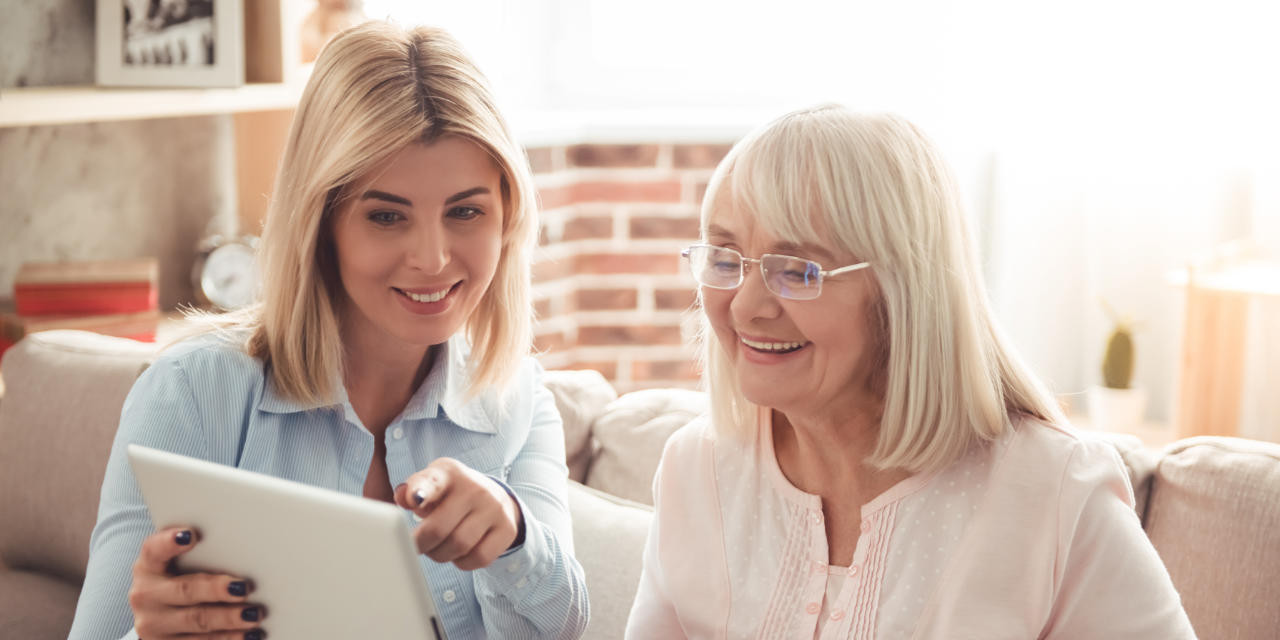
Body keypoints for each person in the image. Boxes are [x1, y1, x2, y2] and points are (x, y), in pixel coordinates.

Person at [69, 21, 589, 640]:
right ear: (322, 223)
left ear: (507, 219)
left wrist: (514, 534)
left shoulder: (517, 399)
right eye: (387, 216)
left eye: (466, 211)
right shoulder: (191, 391)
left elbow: (563, 628)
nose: (432, 258)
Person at [624, 105, 1195, 638]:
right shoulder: (695, 470)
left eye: (797, 270)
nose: (746, 306)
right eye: (725, 259)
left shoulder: (1054, 492)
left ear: (904, 291)